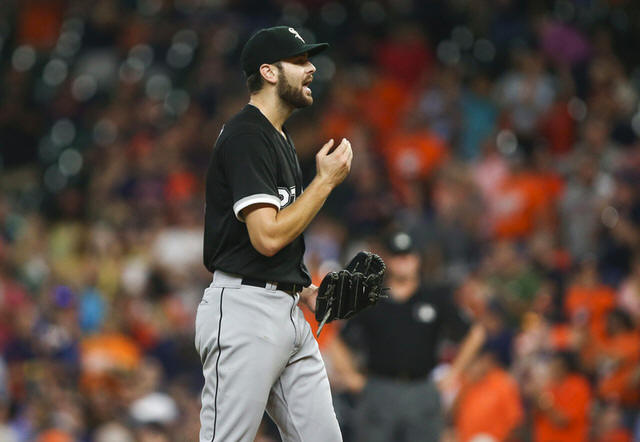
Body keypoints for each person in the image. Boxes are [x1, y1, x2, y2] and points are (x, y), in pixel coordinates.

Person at [195, 26, 353, 442]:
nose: (311, 68)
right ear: (268, 72)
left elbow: (271, 242)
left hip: (285, 309)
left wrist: (303, 289)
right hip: (245, 312)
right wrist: (325, 181)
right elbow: (266, 238)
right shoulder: (247, 135)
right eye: (299, 61)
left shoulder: (277, 137)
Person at [329, 231, 473, 442]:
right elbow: (337, 340)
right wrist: (351, 377)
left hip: (421, 388)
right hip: (380, 388)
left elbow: (473, 333)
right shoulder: (372, 298)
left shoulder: (434, 297)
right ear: (387, 260)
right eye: (397, 256)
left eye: (408, 255)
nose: (403, 262)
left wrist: (456, 372)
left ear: (417, 258)